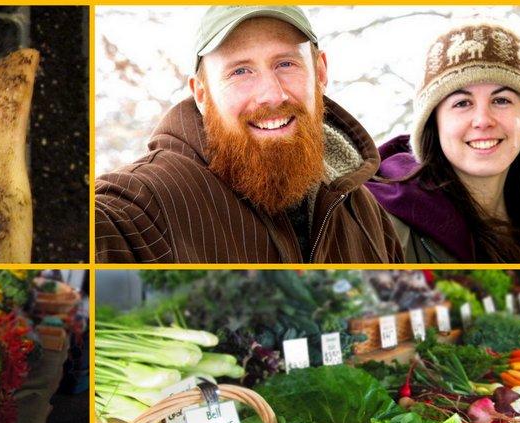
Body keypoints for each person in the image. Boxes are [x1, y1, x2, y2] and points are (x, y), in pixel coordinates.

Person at [95, 6, 401, 263]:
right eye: (240, 71)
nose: (272, 95)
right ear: (202, 94)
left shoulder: (364, 212)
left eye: (286, 64)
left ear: (320, 72)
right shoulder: (143, 203)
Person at [366, 21, 520, 263]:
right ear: (434, 123)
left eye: (501, 100)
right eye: (462, 103)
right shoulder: (381, 230)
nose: (483, 120)